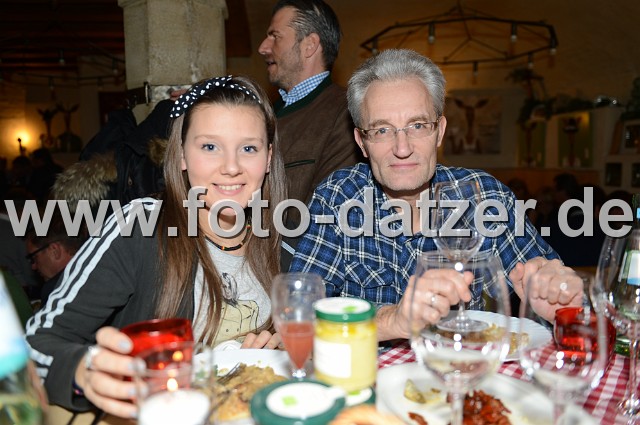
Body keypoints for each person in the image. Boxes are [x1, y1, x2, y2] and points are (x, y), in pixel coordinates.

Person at [26, 75, 287, 419]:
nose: (231, 167)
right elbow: (36, 345)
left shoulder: (280, 235)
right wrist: (84, 373)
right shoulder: (138, 228)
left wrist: (268, 349)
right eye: (210, 147)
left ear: (268, 158)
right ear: (181, 155)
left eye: (248, 148)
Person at [289, 49, 582, 342]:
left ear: (439, 131)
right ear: (362, 142)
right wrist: (391, 321)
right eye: (381, 130)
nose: (402, 148)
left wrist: (557, 307)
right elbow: (297, 316)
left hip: (465, 367)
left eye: (418, 126)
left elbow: (546, 284)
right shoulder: (337, 198)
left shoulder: (485, 197)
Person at [258, 0, 361, 209]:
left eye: (275, 36)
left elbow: (328, 212)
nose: (263, 48)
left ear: (310, 45)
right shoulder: (262, 113)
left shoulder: (347, 113)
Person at [24, 211, 89, 307]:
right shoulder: (102, 271)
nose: (33, 266)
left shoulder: (55, 290)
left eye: (34, 257)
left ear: (55, 250)